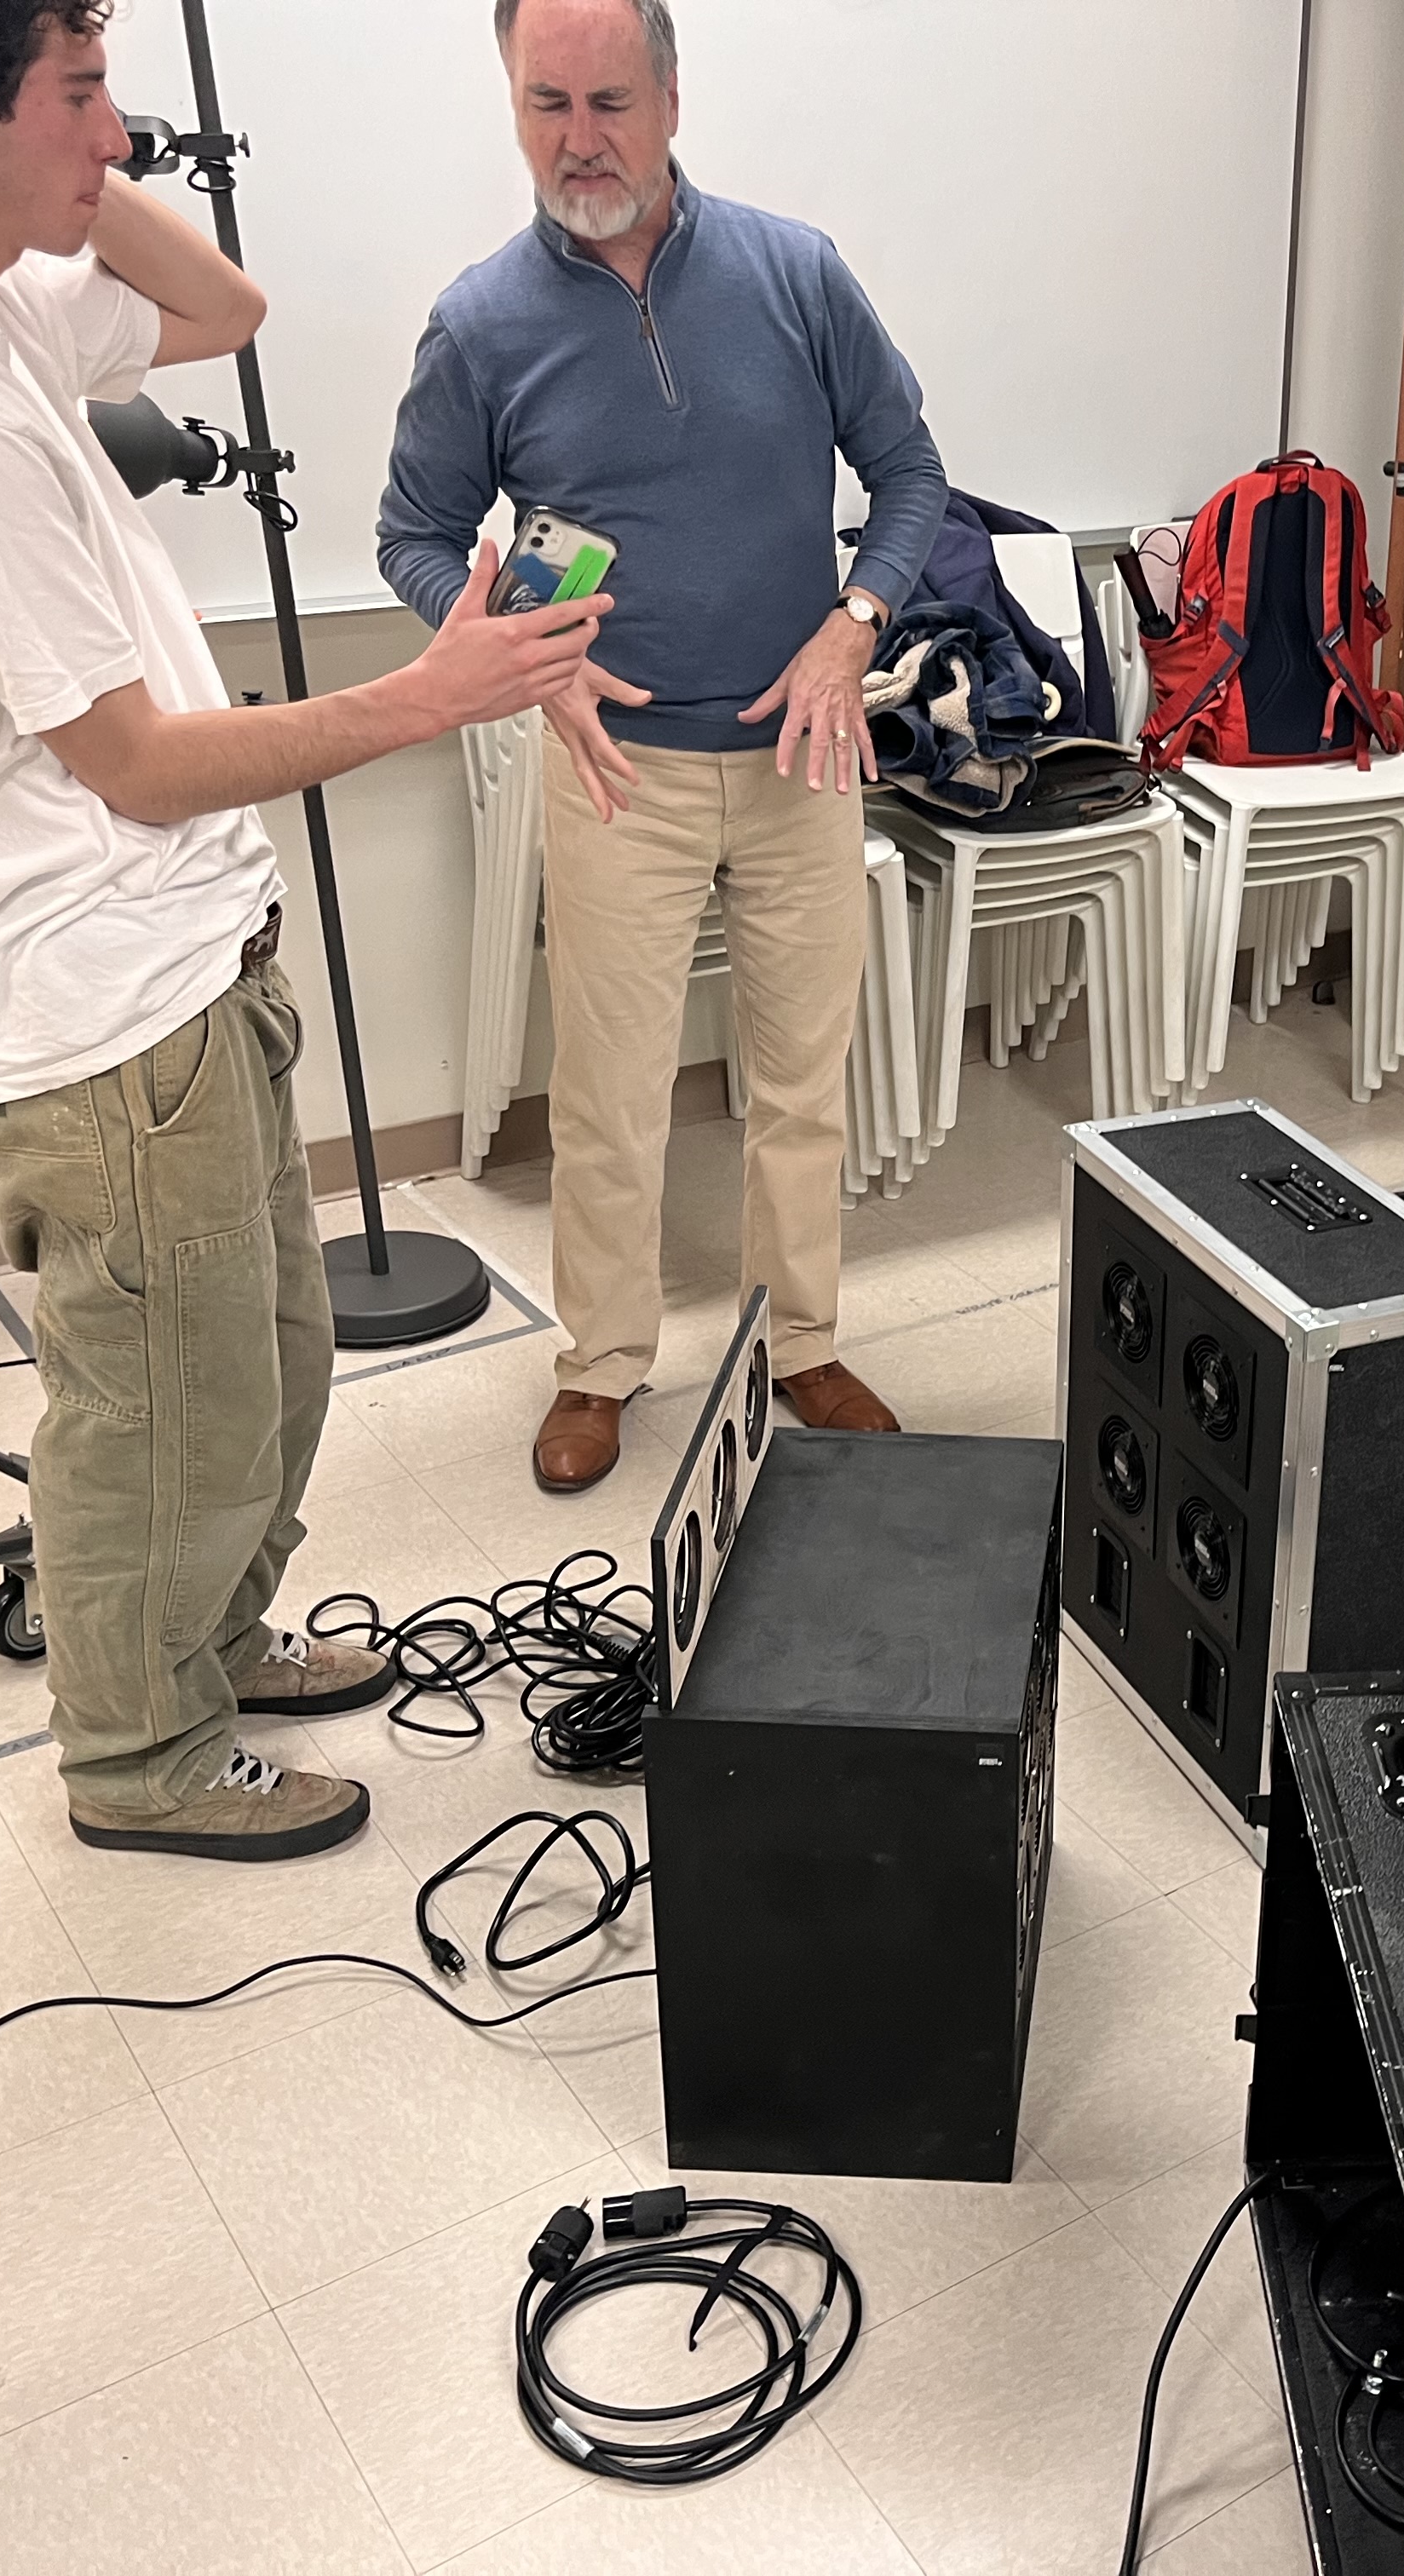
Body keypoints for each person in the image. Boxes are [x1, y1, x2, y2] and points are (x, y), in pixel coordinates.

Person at [0, 0, 622, 1860]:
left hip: (176, 964)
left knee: (263, 1375)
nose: (121, 134)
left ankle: (214, 1647)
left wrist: (63, 164)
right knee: (159, 1414)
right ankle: (140, 1754)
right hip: (105, 999)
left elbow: (225, 309)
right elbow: (142, 766)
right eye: (81, 94)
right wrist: (430, 693)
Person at [380, 0, 950, 1495]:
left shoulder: (795, 273)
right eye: (547, 103)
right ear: (513, 103)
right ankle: (600, 1363)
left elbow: (907, 473)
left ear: (674, 98)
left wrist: (856, 626)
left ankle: (801, 1341)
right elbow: (415, 535)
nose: (581, 141)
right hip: (614, 770)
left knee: (802, 1081)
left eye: (611, 102)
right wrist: (525, 655)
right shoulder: (480, 322)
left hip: (803, 755)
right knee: (611, 1097)